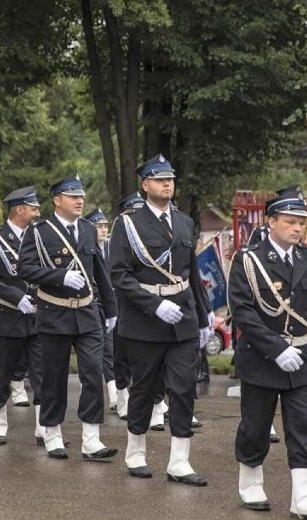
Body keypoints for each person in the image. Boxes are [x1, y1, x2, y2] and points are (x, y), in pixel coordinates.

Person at [227, 186, 307, 520]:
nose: (298, 228)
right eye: (290, 222)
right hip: (262, 358)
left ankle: (304, 497)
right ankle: (251, 481)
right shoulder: (248, 260)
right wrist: (275, 348)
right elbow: (243, 313)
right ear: (271, 222)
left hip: (302, 358)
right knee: (256, 426)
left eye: (301, 222)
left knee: (302, 426)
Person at [108, 154, 211, 485]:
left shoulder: (183, 222)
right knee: (145, 388)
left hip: (182, 316)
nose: (167, 183)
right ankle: (136, 452)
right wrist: (153, 305)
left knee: (183, 388)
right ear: (145, 185)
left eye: (170, 178)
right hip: (145, 321)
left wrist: (205, 315)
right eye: (159, 179)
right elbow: (119, 276)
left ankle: (179, 460)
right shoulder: (128, 224)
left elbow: (190, 271)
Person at [18, 175, 118, 460]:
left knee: (92, 373)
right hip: (54, 312)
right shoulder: (39, 232)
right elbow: (25, 268)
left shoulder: (88, 229)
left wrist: (110, 309)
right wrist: (59, 276)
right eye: (73, 197)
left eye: (81, 196)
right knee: (54, 377)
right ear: (57, 200)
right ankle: (52, 432)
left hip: (86, 313)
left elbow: (99, 271)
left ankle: (91, 439)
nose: (79, 201)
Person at [0, 186, 44, 444]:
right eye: (33, 208)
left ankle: (43, 427)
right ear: (19, 209)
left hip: (38, 318)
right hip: (7, 318)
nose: (37, 212)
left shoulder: (39, 236)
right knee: (2, 372)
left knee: (41, 373)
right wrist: (15, 297)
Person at [109, 192, 146, 421]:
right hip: (123, 304)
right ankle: (122, 399)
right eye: (133, 212)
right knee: (121, 356)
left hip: (146, 305)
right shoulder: (119, 239)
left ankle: (154, 402)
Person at [85, 207, 118, 411]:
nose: (104, 230)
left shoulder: (112, 249)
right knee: (99, 351)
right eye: (99, 226)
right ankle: (110, 394)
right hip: (90, 304)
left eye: (105, 226)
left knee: (111, 350)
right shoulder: (85, 248)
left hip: (109, 304)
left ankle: (115, 393)